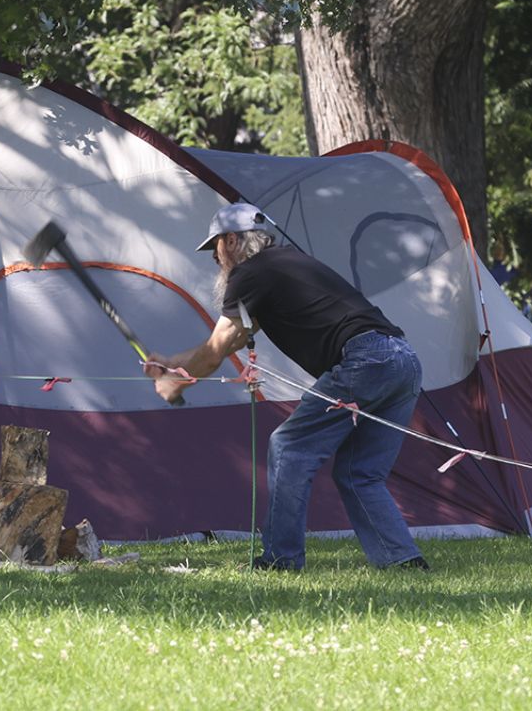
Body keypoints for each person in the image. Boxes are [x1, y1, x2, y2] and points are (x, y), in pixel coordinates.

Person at [144, 202, 429, 571]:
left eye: (215, 247)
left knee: (289, 445)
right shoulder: (282, 266)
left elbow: (214, 354)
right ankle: (403, 562)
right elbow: (226, 344)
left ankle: (281, 560)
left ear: (231, 241)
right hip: (402, 361)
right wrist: (171, 364)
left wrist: (176, 385)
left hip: (366, 360)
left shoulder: (249, 275)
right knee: (359, 473)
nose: (215, 259)